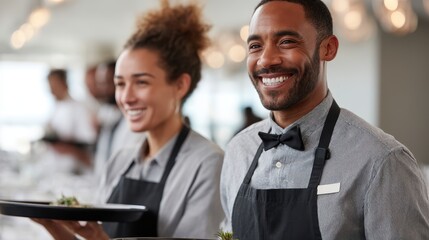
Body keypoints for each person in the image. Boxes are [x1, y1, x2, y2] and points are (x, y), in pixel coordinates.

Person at [220, 0, 429, 239]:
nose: (266, 60)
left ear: (328, 48)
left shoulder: (382, 161)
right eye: (255, 46)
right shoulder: (238, 151)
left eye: (287, 42)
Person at [34, 1, 224, 239]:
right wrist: (56, 228)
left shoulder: (206, 164)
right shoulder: (121, 160)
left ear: (180, 85)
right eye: (120, 84)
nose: (126, 97)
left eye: (141, 82)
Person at [42, 68, 97, 169]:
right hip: (56, 166)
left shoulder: (79, 109)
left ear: (64, 83)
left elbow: (89, 142)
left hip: (75, 168)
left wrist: (66, 146)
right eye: (50, 86)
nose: (51, 91)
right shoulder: (56, 109)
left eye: (54, 86)